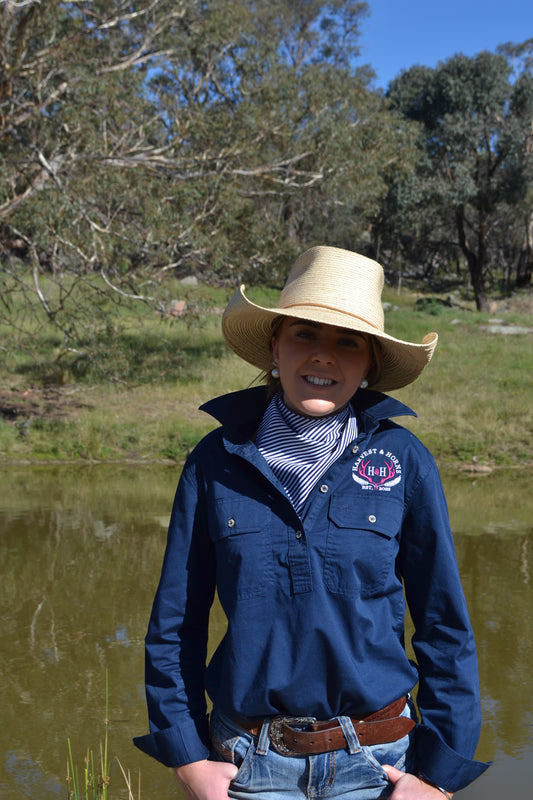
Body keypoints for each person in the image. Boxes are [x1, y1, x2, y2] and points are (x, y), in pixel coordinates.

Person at [134, 246, 490, 799]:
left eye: (346, 342)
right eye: (305, 335)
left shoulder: (404, 461)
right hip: (246, 765)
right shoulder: (215, 461)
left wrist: (437, 780)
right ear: (275, 347)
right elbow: (176, 624)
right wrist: (185, 756)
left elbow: (444, 626)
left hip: (377, 766)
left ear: (370, 362)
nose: (323, 357)